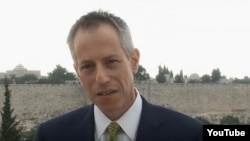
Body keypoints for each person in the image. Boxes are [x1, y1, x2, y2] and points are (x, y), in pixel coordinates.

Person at [34, 10, 203, 141]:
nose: (101, 78)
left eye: (111, 62)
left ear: (134, 61)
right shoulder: (51, 135)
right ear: (78, 72)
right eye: (88, 66)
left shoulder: (191, 134)